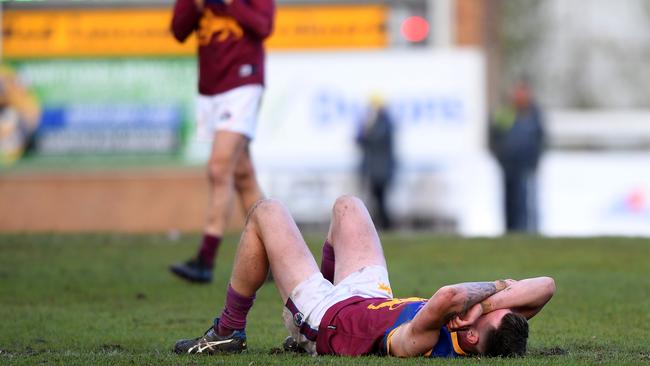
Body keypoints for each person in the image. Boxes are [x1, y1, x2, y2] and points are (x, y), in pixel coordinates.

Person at [173, 195, 556, 357]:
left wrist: (482, 298)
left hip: (328, 318)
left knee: (266, 212)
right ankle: (296, 320)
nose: (481, 306)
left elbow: (448, 296)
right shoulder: (486, 328)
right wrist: (493, 300)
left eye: (482, 313)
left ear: (471, 336)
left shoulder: (423, 342)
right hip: (369, 295)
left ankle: (228, 331)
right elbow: (546, 287)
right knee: (349, 206)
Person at [169, 0, 275, 283]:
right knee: (243, 176)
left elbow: (264, 26)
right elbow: (178, 31)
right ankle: (279, 256)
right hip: (210, 90)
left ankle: (205, 260)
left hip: (242, 83)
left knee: (219, 168)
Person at [490, 78, 545, 233]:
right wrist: (500, 157)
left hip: (526, 166)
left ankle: (529, 233)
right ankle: (511, 232)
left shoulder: (535, 114)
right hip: (508, 166)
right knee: (510, 204)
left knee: (526, 204)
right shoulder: (507, 112)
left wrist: (535, 161)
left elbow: (540, 139)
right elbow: (495, 135)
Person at [356, 95, 396, 230]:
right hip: (375, 170)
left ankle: (386, 226)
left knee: (380, 200)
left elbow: (372, 139)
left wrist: (366, 129)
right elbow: (360, 140)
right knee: (376, 200)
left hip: (381, 170)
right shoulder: (378, 123)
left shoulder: (384, 123)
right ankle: (382, 227)